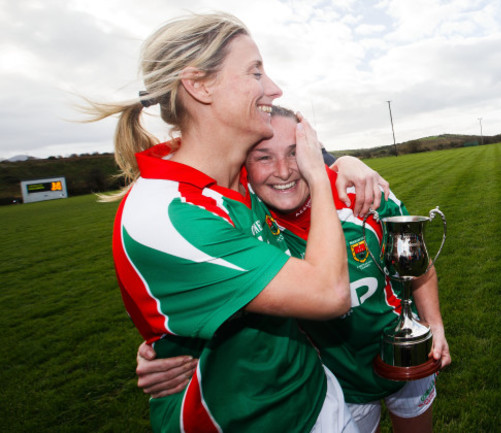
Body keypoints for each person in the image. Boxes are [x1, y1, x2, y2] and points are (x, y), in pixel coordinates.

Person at [84, 12, 388, 433]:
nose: (274, 88)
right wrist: (318, 173)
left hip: (316, 394)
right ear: (199, 85)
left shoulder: (241, 174)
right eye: (255, 71)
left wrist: (346, 162)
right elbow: (328, 293)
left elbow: (283, 168)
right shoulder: (169, 217)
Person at [137, 106, 452, 433]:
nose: (284, 171)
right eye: (263, 157)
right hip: (335, 380)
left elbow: (418, 266)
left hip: (403, 356)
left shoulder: (363, 196)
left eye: (295, 153)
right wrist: (162, 352)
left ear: (314, 154)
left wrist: (435, 324)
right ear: (243, 166)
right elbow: (205, 286)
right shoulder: (245, 222)